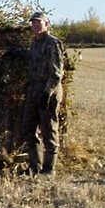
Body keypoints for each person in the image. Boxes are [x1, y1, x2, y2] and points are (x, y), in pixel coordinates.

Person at [21, 11, 65, 175]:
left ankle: (49, 169)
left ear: (47, 23)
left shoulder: (52, 43)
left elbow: (57, 73)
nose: (35, 25)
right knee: (28, 128)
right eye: (33, 23)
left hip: (49, 92)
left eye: (39, 22)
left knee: (49, 129)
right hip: (34, 90)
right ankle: (34, 166)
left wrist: (47, 93)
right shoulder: (35, 43)